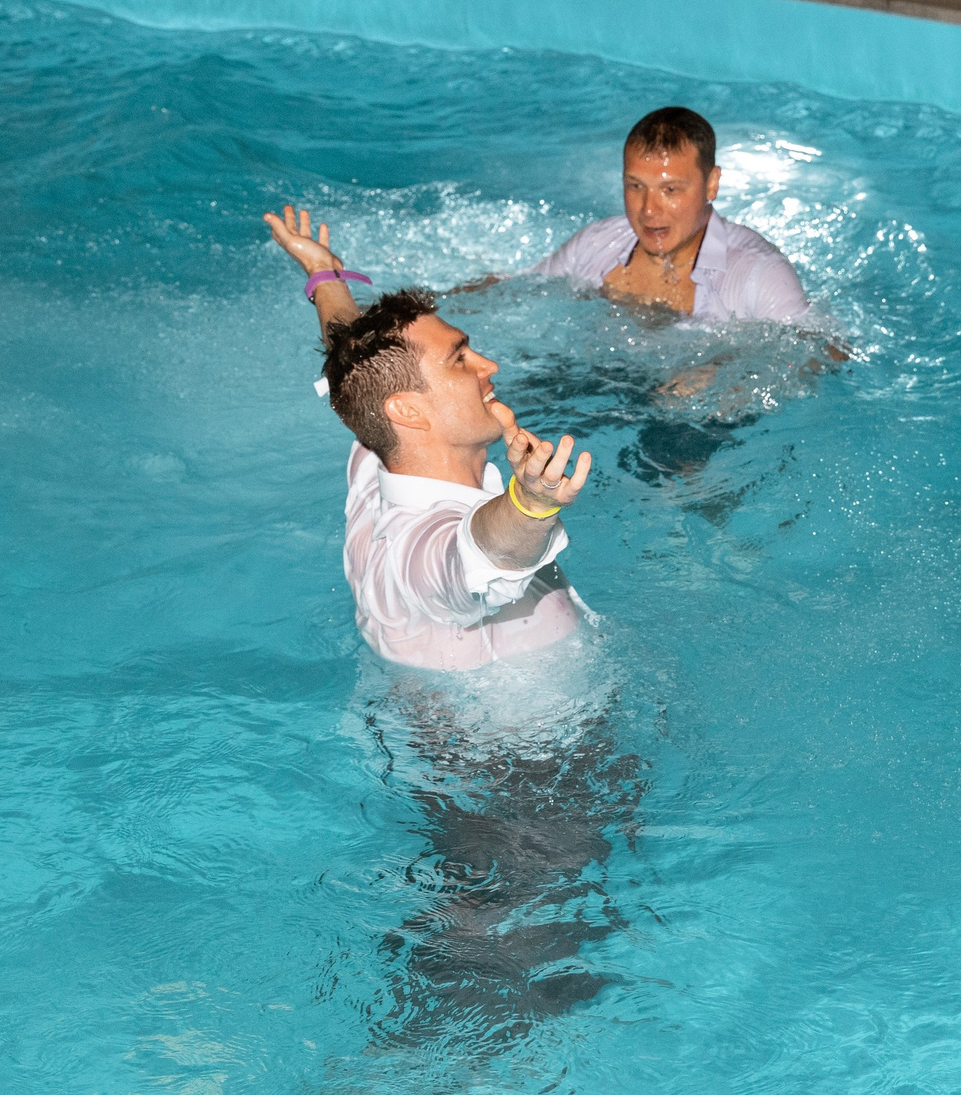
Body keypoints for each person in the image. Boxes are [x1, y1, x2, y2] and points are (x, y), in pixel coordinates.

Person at [264, 205, 596, 671]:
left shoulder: (375, 454)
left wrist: (324, 276)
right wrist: (531, 504)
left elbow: (359, 367)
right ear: (408, 410)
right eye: (460, 359)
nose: (488, 366)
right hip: (530, 745)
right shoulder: (411, 553)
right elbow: (477, 554)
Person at [531, 106, 808, 323]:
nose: (649, 209)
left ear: (711, 184)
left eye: (671, 189)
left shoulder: (757, 273)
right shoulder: (595, 245)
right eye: (636, 186)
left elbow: (825, 353)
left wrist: (724, 369)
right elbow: (518, 292)